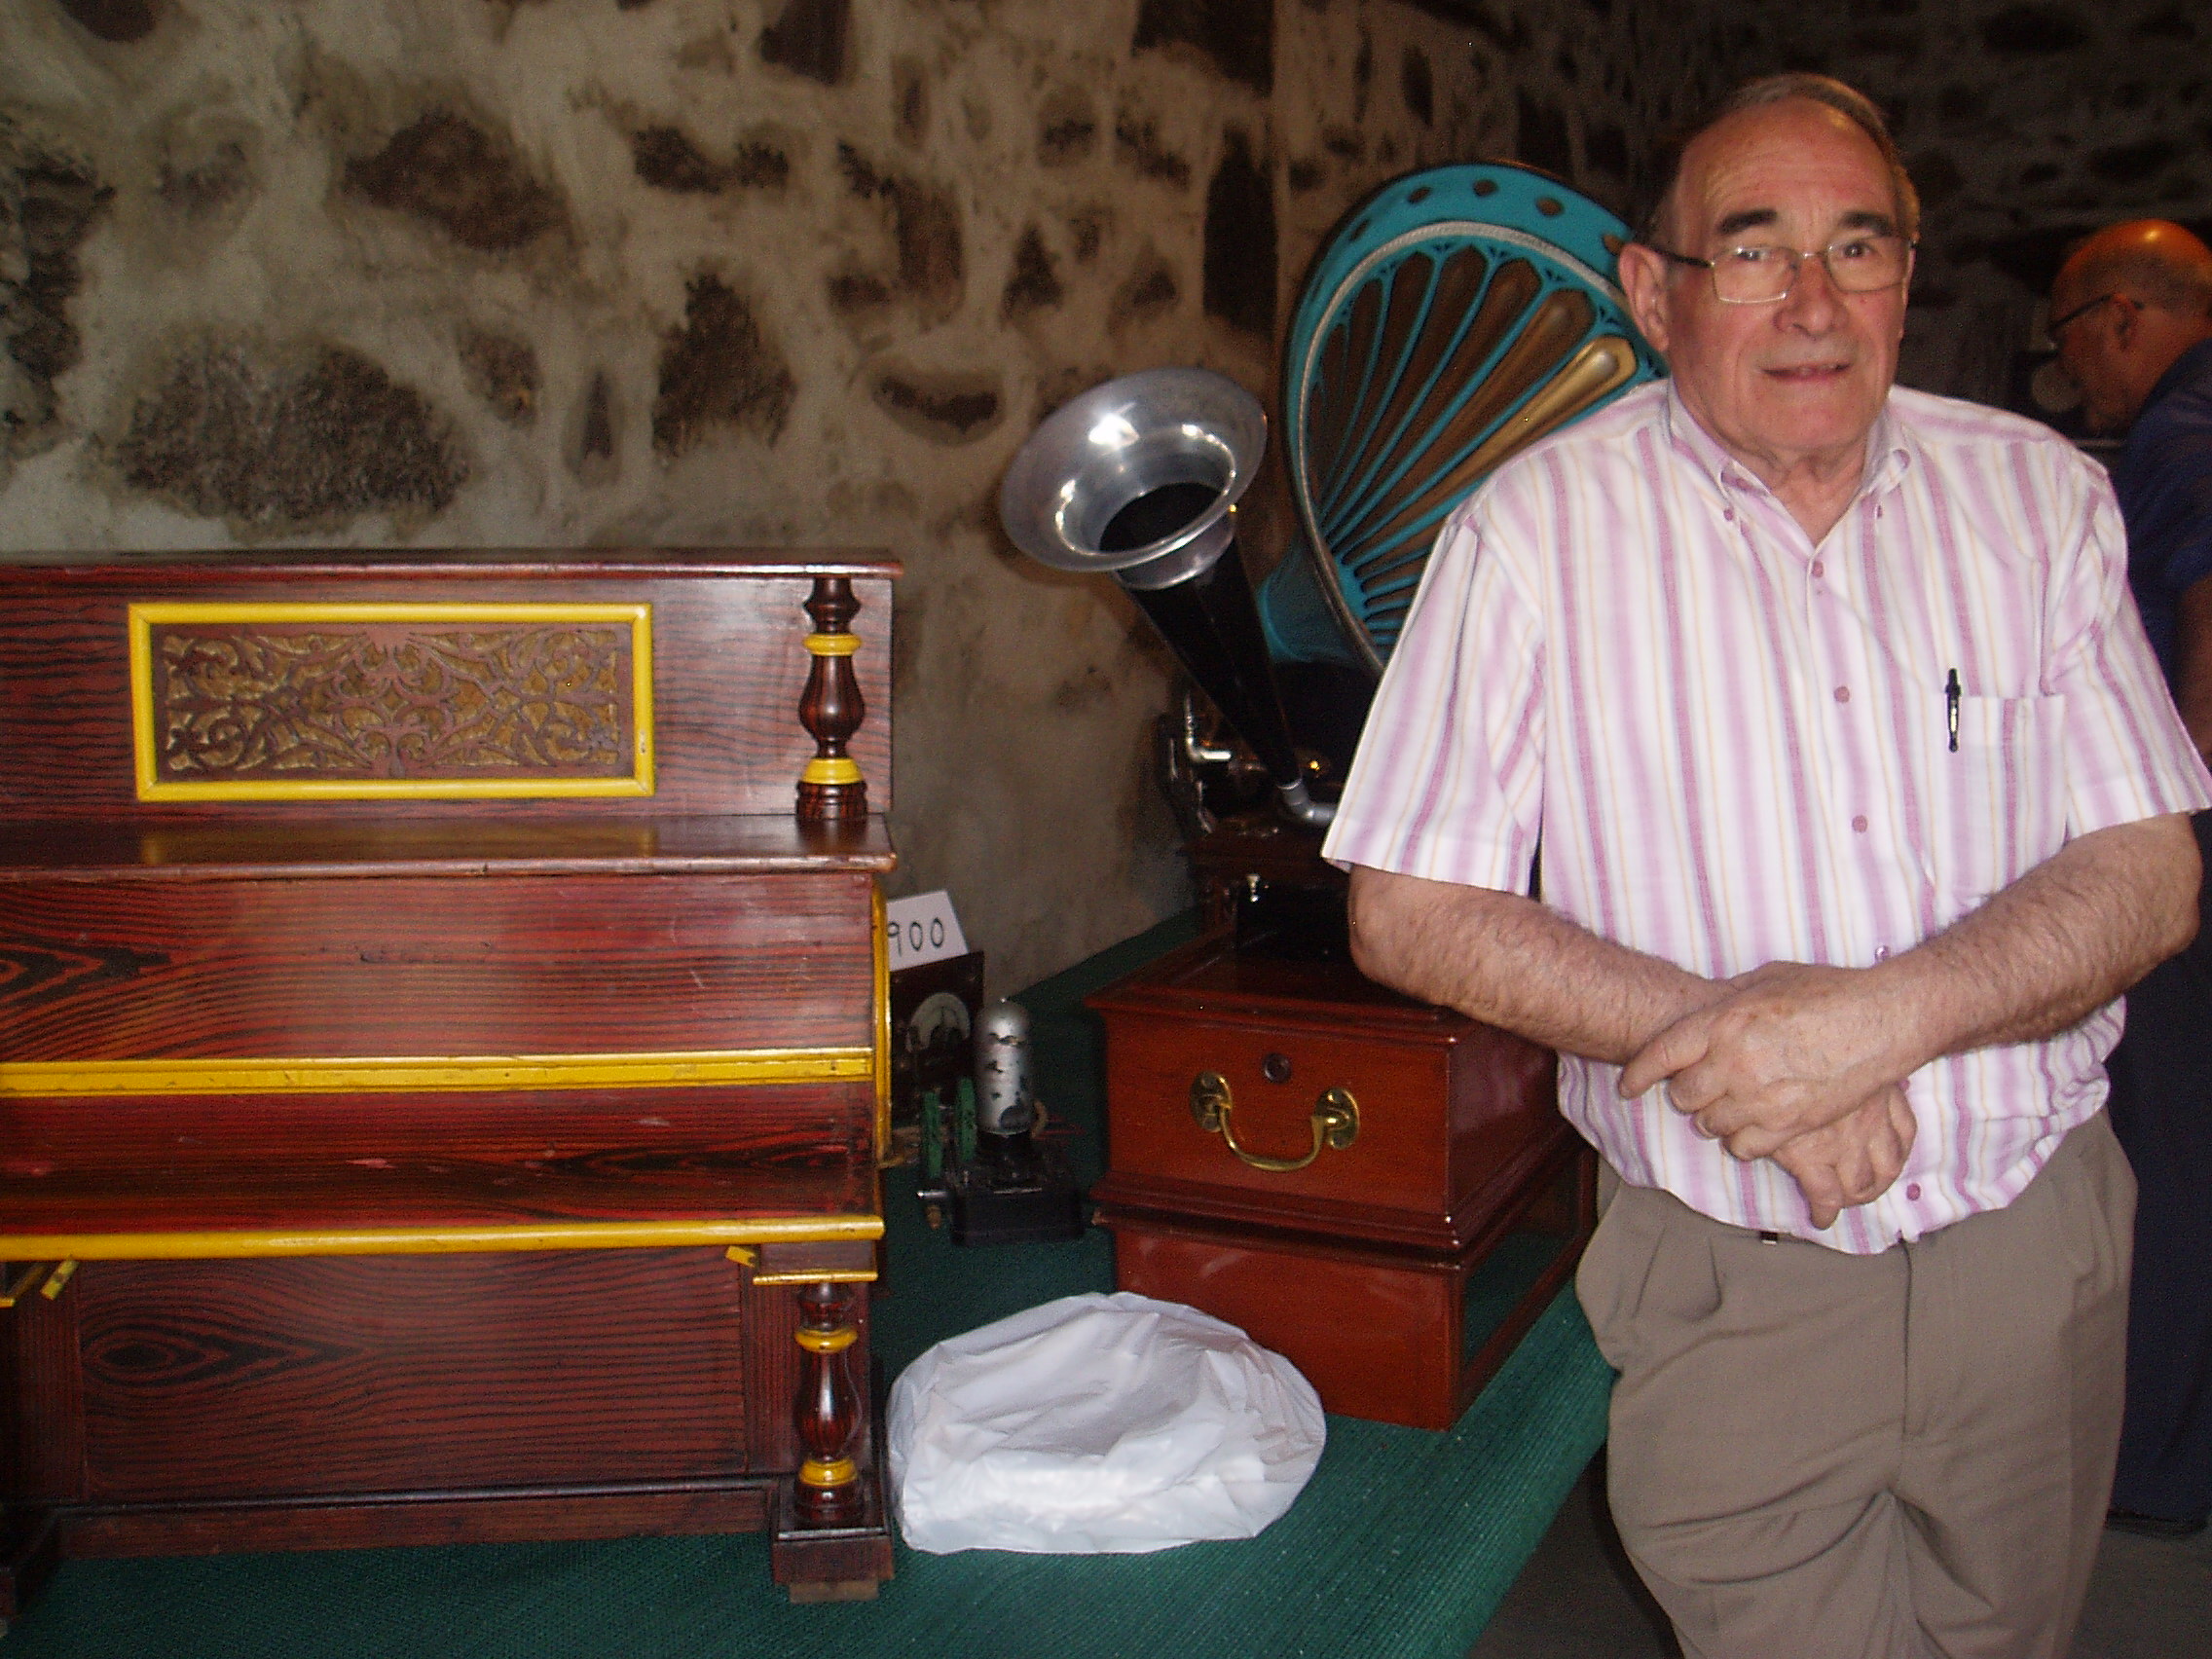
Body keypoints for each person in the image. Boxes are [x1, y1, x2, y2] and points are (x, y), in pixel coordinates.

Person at [1321, 74, 2212, 1659]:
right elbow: (1408, 907)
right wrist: (1759, 1053)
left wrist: (1881, 1023)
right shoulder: (1529, 534)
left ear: (1906, 281)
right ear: (1655, 292)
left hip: (2037, 1249)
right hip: (1734, 1272)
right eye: (1751, 250)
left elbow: (2149, 870)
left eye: (1857, 248)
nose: (1812, 301)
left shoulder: (2043, 500)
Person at [2049, 219, 2212, 1538]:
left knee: (2162, 1140)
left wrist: (2181, 825)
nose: (2072, 375)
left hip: (2187, 841)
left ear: (2119, 317)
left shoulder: (2176, 434)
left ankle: (2152, 1466)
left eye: (2068, 341)